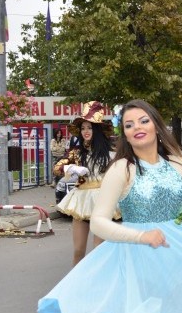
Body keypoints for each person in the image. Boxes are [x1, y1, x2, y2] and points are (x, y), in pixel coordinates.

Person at [38, 100, 182, 313]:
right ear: (126, 135)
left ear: (156, 126)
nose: (137, 127)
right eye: (129, 125)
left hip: (179, 253)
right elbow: (99, 222)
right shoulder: (121, 168)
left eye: (143, 121)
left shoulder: (179, 165)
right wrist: (141, 236)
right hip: (134, 256)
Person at [53, 101, 118, 265]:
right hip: (81, 201)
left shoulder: (111, 152)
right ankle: (76, 287)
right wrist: (71, 168)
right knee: (78, 251)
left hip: (102, 202)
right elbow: (56, 168)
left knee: (98, 250)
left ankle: (99, 287)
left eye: (89, 127)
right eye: (83, 128)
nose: (85, 131)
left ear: (96, 129)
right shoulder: (76, 152)